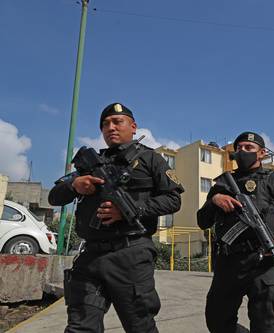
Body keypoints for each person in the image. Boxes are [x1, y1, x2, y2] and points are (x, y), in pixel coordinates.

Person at [49, 103, 184, 333]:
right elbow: (54, 197)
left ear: (133, 127)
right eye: (105, 124)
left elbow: (173, 200)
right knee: (80, 327)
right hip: (90, 256)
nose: (110, 127)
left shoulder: (151, 159)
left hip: (130, 253)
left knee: (140, 326)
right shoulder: (90, 164)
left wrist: (132, 210)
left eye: (117, 122)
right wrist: (75, 185)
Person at [197, 131, 274, 333]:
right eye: (239, 148)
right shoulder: (221, 183)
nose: (242, 151)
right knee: (217, 322)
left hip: (263, 261)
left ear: (261, 153)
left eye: (248, 148)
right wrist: (214, 201)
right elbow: (202, 221)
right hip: (228, 262)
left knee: (267, 322)